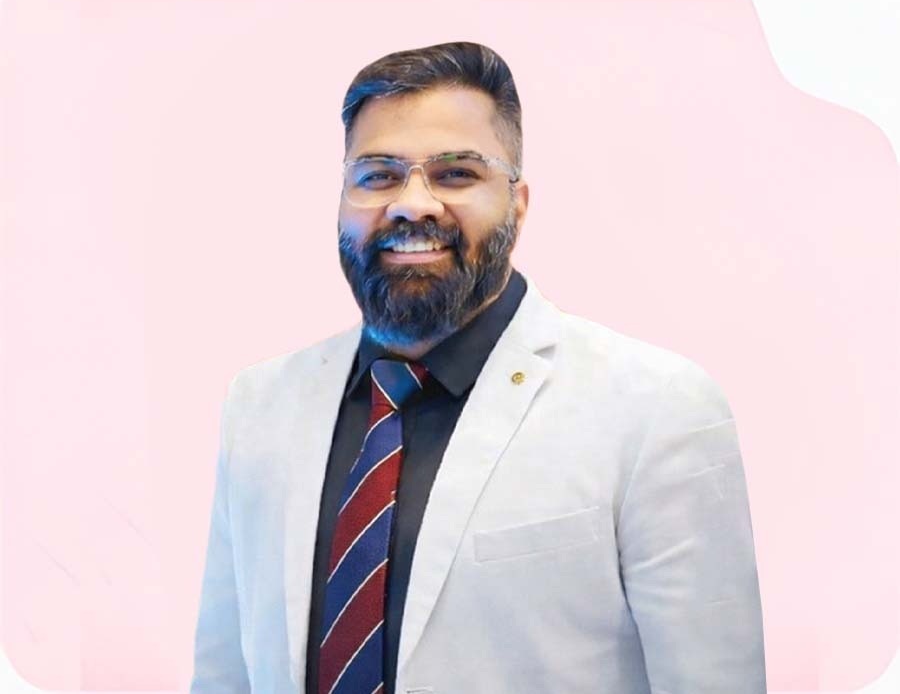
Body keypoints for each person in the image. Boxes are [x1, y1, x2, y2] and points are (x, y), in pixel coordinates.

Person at [189, 41, 766, 694]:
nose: (413, 204)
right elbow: (223, 675)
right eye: (378, 175)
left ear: (518, 204)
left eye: (456, 174)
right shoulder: (260, 405)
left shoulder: (656, 408)